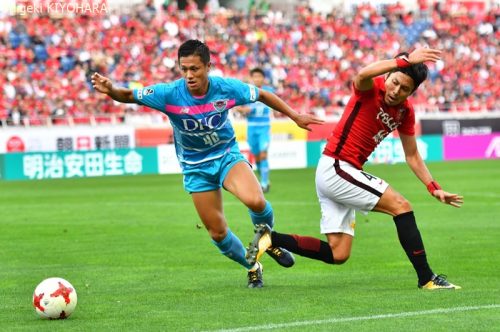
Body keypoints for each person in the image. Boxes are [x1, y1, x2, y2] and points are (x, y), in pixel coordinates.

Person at [91, 39, 324, 288]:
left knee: (256, 201)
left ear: (208, 66)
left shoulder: (226, 88)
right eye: (184, 69)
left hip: (226, 156)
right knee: (218, 233)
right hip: (195, 169)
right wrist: (111, 90)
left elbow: (263, 95)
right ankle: (253, 265)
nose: (189, 75)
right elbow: (129, 95)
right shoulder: (168, 94)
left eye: (195, 69)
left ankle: (268, 240)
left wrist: (294, 116)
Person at [247, 47, 463, 290]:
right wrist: (403, 61)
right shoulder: (371, 89)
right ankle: (427, 278)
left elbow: (412, 155)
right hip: (337, 166)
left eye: (405, 89)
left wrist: (433, 187)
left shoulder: (406, 112)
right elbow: (361, 74)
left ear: (413, 92)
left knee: (339, 253)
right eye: (395, 82)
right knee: (401, 206)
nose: (396, 91)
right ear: (389, 75)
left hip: (340, 173)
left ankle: (269, 239)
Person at [233, 68, 273, 193]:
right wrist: (241, 109)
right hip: (251, 128)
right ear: (252, 78)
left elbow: (272, 106)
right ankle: (264, 179)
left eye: (259, 76)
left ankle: (265, 183)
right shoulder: (247, 92)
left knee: (263, 153)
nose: (257, 79)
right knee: (257, 156)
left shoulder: (269, 91)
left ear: (263, 78)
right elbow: (238, 107)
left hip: (264, 127)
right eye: (255, 77)